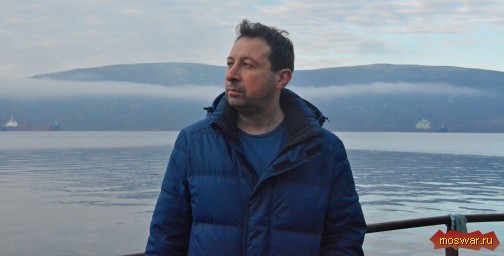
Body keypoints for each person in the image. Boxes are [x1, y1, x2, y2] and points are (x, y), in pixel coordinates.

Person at [145, 20, 366, 255]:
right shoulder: (193, 143)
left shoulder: (324, 150)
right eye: (230, 63)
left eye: (247, 65)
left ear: (282, 78)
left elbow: (344, 238)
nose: (231, 75)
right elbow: (165, 239)